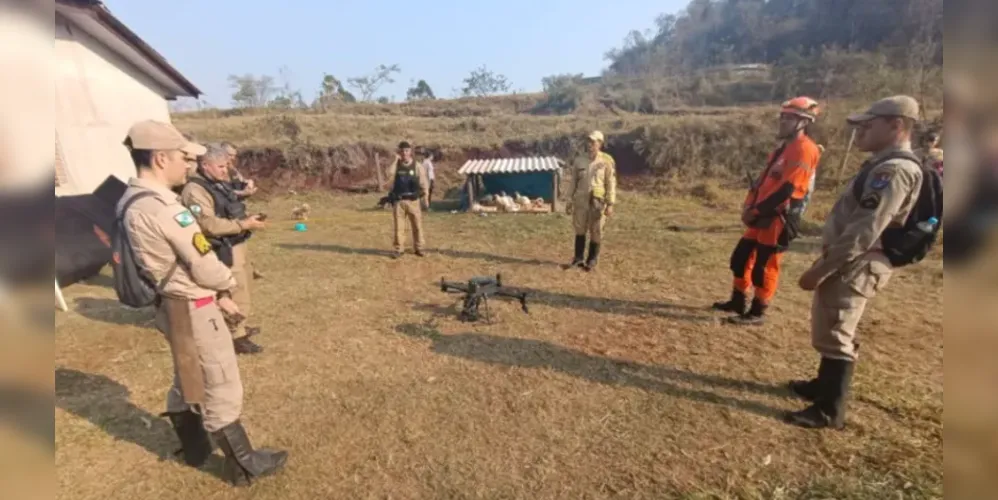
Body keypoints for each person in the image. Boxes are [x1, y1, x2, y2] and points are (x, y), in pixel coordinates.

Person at [118, 120, 287, 484]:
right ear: (161, 159)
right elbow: (204, 263)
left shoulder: (131, 201)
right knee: (221, 379)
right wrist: (226, 289)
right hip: (192, 305)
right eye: (183, 157)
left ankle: (194, 448)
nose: (188, 165)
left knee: (187, 373)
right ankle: (243, 465)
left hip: (168, 304)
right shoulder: (166, 209)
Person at [786, 95, 925, 429]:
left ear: (896, 125)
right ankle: (823, 385)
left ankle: (829, 410)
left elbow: (864, 231)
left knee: (837, 330)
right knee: (831, 322)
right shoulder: (881, 164)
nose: (860, 131)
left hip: (858, 262)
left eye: (868, 124)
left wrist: (820, 269)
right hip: (851, 260)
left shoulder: (894, 170)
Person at [712, 97, 824, 325]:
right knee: (741, 257)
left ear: (804, 122)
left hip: (778, 217)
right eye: (782, 117)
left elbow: (788, 189)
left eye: (789, 118)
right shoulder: (783, 149)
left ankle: (757, 311)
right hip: (760, 213)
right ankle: (737, 300)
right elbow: (765, 182)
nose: (783, 122)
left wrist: (757, 211)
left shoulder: (805, 150)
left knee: (765, 264)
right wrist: (749, 206)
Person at [180, 145, 267, 355]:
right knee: (232, 291)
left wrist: (246, 214)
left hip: (237, 242)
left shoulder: (218, 184)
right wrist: (243, 225)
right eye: (220, 166)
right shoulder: (195, 190)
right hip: (222, 247)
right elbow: (207, 224)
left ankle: (240, 326)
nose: (225, 170)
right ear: (205, 165)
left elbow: (228, 207)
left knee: (243, 287)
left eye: (226, 165)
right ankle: (236, 337)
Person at [565, 131, 617, 271]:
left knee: (596, 230)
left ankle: (592, 260)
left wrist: (610, 203)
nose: (590, 145)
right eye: (588, 142)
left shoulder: (607, 161)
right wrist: (569, 200)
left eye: (593, 142)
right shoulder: (579, 160)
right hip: (580, 201)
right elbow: (573, 182)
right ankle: (578, 259)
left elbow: (610, 183)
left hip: (597, 202)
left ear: (600, 143)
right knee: (580, 229)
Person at [384, 140, 429, 258]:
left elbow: (424, 183)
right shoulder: (396, 166)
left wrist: (426, 198)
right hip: (399, 201)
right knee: (399, 227)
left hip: (413, 201)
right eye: (402, 151)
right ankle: (399, 249)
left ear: (411, 152)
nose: (404, 153)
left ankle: (419, 248)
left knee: (417, 226)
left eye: (407, 150)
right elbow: (389, 175)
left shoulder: (417, 166)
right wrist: (395, 160)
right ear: (399, 152)